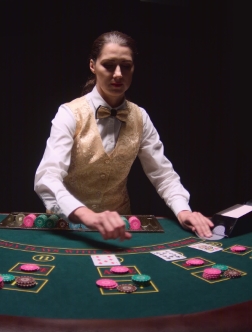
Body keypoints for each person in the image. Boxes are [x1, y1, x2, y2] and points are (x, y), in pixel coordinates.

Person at [34, 31, 214, 241]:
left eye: (126, 66)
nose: (118, 74)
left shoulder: (140, 117)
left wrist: (184, 211)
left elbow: (163, 175)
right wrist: (86, 215)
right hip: (67, 229)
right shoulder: (69, 113)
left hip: (120, 232)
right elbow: (47, 177)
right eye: (109, 65)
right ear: (92, 66)